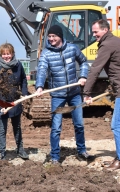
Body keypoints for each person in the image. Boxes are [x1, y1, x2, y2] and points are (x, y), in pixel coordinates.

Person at [83, 19, 120, 171]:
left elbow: (95, 69)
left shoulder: (107, 45)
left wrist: (87, 93)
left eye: (96, 32)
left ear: (105, 30)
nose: (94, 34)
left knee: (116, 125)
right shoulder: (118, 41)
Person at [35, 25, 93, 165]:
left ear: (60, 36)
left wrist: (83, 76)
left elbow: (84, 62)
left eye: (54, 36)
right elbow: (42, 70)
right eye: (49, 36)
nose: (51, 39)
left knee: (79, 124)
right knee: (56, 127)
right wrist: (39, 86)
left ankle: (82, 151)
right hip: (58, 95)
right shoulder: (46, 53)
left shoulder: (72, 48)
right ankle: (55, 157)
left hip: (74, 94)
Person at [0, 43, 29, 160]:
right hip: (1, 101)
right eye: (4, 54)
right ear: (1, 55)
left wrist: (24, 93)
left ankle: (20, 149)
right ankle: (2, 153)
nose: (6, 56)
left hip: (15, 100)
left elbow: (23, 79)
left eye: (8, 54)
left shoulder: (18, 65)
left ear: (12, 54)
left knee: (17, 127)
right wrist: (2, 104)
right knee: (2, 129)